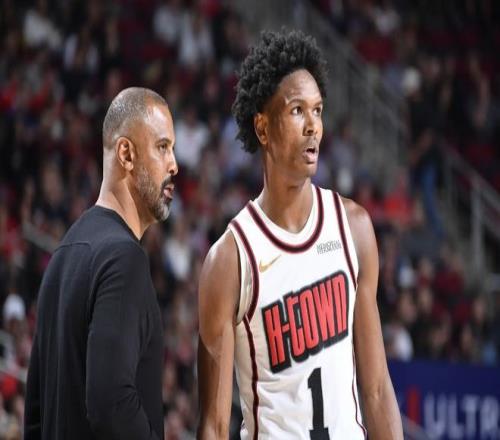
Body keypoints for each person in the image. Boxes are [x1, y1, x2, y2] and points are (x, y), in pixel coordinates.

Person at [197, 31, 403, 439]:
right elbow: (214, 425)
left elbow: (377, 390)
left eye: (318, 110)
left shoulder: (354, 228)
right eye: (297, 111)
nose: (313, 127)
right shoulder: (230, 259)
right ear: (262, 128)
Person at [24, 87, 178, 440]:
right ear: (126, 153)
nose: (174, 164)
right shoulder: (124, 259)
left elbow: (35, 416)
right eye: (162, 147)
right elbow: (111, 405)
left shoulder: (62, 254)